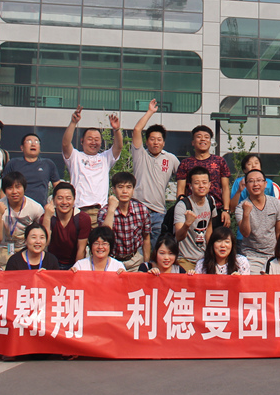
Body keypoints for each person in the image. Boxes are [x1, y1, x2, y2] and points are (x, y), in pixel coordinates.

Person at [131, 99, 179, 248]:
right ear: (146, 142)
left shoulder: (171, 159)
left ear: (164, 142)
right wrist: (150, 112)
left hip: (159, 211)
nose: (156, 142)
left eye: (159, 140)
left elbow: (184, 178)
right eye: (152, 139)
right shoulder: (140, 154)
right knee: (138, 249)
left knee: (157, 249)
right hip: (138, 209)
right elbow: (137, 130)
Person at [61, 106, 122, 221]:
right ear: (82, 141)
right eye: (90, 139)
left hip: (101, 211)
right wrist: (73, 123)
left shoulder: (105, 157)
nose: (93, 142)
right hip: (79, 210)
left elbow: (118, 147)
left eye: (97, 139)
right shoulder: (75, 156)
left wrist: (116, 130)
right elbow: (65, 144)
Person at [175, 125, 231, 226]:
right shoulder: (185, 163)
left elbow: (225, 188)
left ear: (210, 141)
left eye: (206, 137)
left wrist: (226, 210)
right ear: (193, 142)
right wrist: (182, 208)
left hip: (216, 209)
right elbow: (181, 189)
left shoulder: (219, 161)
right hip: (192, 210)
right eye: (199, 136)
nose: (203, 139)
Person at [98, 171, 151, 271]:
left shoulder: (142, 210)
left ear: (133, 190)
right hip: (112, 260)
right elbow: (104, 236)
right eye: (120, 187)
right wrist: (111, 210)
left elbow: (146, 238)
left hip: (134, 260)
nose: (125, 191)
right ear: (113, 190)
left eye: (128, 187)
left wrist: (146, 263)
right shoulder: (104, 211)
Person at [0, 171, 45, 266]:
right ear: (4, 190)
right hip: (3, 248)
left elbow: (42, 235)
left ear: (24, 188)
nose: (14, 191)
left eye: (18, 187)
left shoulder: (36, 208)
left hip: (26, 248)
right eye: (10, 188)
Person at [235, 168, 280, 275]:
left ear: (265, 184)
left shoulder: (275, 203)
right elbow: (245, 233)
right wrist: (246, 213)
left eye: (259, 180)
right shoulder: (241, 207)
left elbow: (279, 231)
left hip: (273, 254)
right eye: (251, 181)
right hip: (251, 256)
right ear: (246, 185)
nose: (255, 184)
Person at [173, 166, 218, 271]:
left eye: (204, 182)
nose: (201, 186)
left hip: (204, 258)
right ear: (190, 186)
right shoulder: (182, 205)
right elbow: (178, 236)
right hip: (185, 259)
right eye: (197, 183)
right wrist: (187, 224)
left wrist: (211, 252)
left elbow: (209, 227)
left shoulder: (211, 201)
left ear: (209, 184)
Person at [4, 133, 63, 206]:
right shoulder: (13, 163)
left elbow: (58, 187)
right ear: (22, 148)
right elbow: (4, 187)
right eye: (29, 141)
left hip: (40, 208)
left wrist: (52, 204)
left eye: (36, 142)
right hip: (17, 207)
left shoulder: (48, 164)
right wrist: (3, 206)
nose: (33, 144)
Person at [43, 182, 90, 270]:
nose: (64, 202)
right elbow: (45, 243)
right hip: (52, 263)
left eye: (68, 198)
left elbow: (81, 248)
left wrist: (76, 268)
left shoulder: (83, 218)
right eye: (60, 198)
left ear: (74, 200)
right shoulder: (47, 217)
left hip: (74, 263)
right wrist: (47, 217)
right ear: (53, 200)